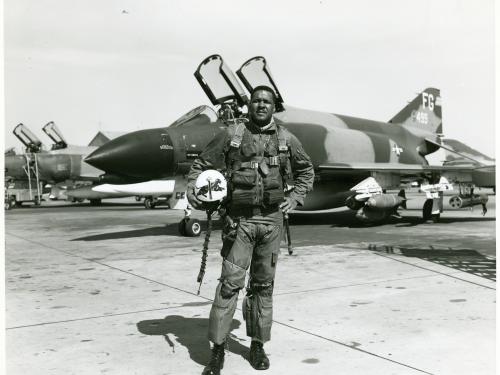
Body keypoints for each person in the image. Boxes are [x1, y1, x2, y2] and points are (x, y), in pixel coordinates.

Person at [187, 85, 314, 374]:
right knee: (230, 285)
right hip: (239, 222)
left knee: (263, 286)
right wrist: (194, 191)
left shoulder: (286, 138)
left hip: (271, 223)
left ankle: (257, 344)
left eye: (266, 102)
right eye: (256, 100)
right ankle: (218, 351)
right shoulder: (231, 135)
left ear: (273, 106)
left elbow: (307, 171)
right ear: (249, 105)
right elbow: (201, 166)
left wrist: (295, 198)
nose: (260, 105)